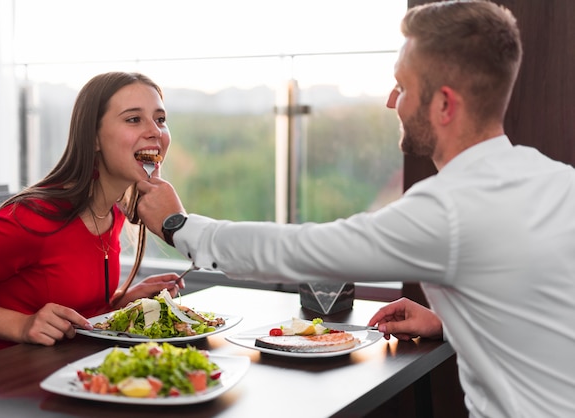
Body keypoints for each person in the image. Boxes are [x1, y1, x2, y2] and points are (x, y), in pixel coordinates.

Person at [135, 1, 575, 417]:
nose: (391, 101)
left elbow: (302, 250)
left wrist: (179, 226)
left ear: (443, 104)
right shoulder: (558, 181)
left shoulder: (452, 208)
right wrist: (451, 322)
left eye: (402, 86)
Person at [0, 71, 185, 363]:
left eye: (160, 119)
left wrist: (124, 303)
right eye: (133, 119)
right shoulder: (34, 217)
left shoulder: (112, 214)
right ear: (94, 138)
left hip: (52, 374)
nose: (155, 131)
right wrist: (22, 326)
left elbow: (69, 304)